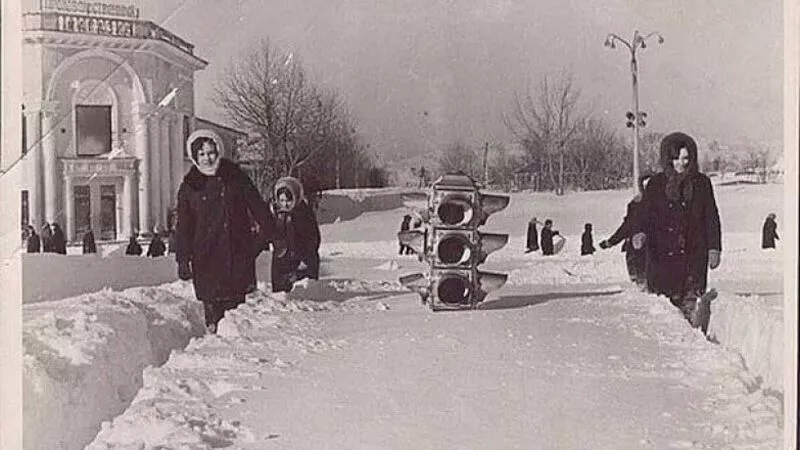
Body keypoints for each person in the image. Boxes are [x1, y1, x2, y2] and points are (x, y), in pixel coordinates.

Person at [176, 129, 281, 333]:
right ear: (195, 156)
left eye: (211, 152)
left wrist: (261, 241)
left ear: (219, 151)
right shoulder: (190, 186)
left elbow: (258, 208)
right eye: (202, 154)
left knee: (235, 317)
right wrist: (182, 258)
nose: (207, 158)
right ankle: (213, 344)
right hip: (206, 258)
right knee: (213, 314)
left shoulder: (236, 177)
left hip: (236, 255)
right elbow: (184, 226)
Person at [632, 132, 721, 333]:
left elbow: (711, 217)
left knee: (691, 305)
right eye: (676, 158)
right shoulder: (656, 184)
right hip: (662, 258)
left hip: (694, 256)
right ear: (667, 159)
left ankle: (694, 340)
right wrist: (640, 233)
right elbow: (644, 214)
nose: (681, 163)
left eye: (686, 158)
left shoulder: (701, 183)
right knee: (667, 313)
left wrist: (714, 247)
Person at [269, 176, 321, 293]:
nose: (285, 204)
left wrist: (306, 260)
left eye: (288, 200)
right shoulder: (276, 214)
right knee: (281, 298)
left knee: (301, 295)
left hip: (302, 262)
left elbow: (313, 238)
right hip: (282, 261)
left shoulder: (304, 213)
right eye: (282, 201)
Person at [599, 174, 653, 287]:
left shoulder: (639, 205)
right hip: (641, 248)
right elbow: (627, 226)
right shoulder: (637, 205)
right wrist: (611, 241)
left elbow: (627, 226)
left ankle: (642, 282)